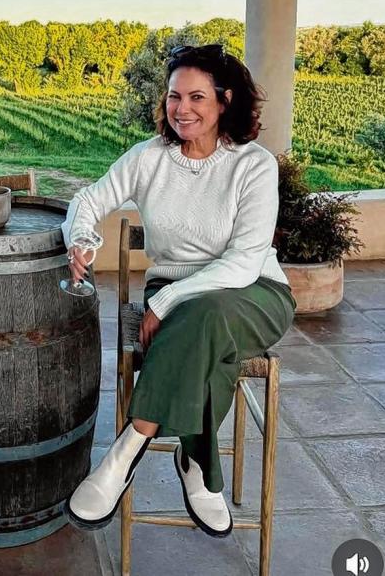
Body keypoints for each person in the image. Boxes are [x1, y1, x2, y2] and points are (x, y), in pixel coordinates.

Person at [61, 43, 295, 537]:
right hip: (180, 296)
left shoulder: (254, 165)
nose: (181, 109)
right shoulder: (149, 158)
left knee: (207, 315)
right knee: (209, 347)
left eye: (196, 97)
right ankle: (198, 465)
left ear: (225, 101)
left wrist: (166, 303)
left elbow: (243, 263)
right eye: (173, 96)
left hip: (255, 293)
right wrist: (81, 238)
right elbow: (88, 199)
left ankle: (127, 448)